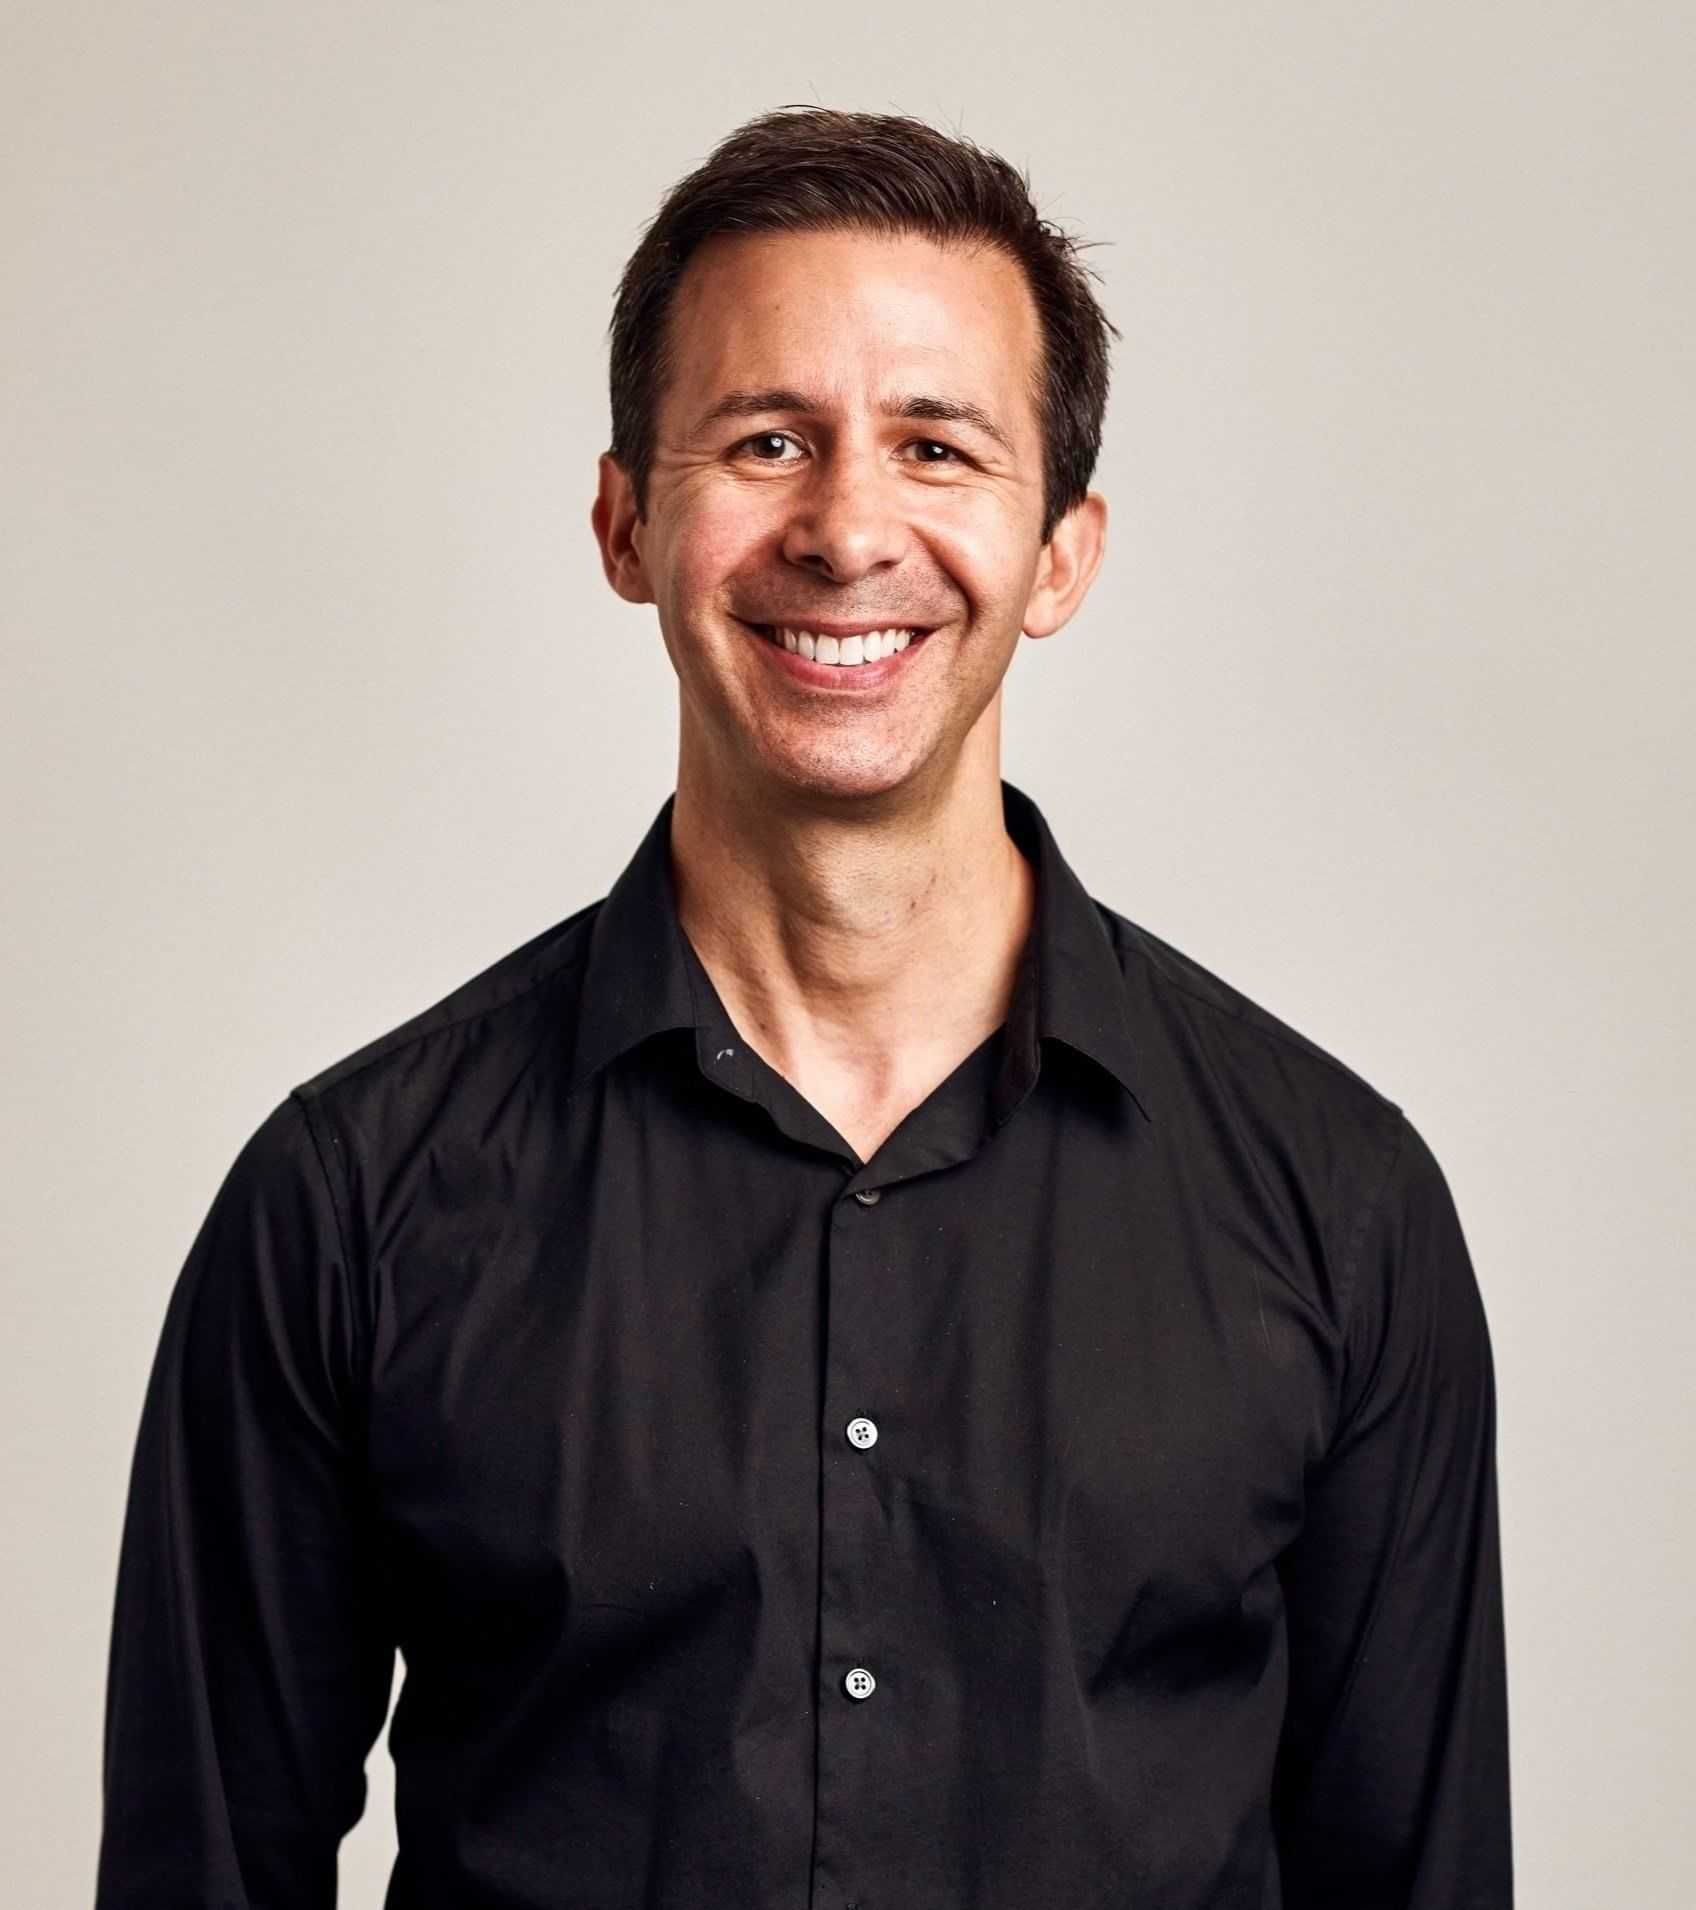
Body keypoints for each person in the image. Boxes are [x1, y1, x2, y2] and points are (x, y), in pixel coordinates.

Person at [96, 106, 1512, 1909]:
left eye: (937, 447)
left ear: (1061, 552)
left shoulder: (1338, 1205)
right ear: (628, 520)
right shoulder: (348, 1200)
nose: (848, 530)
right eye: (767, 440)